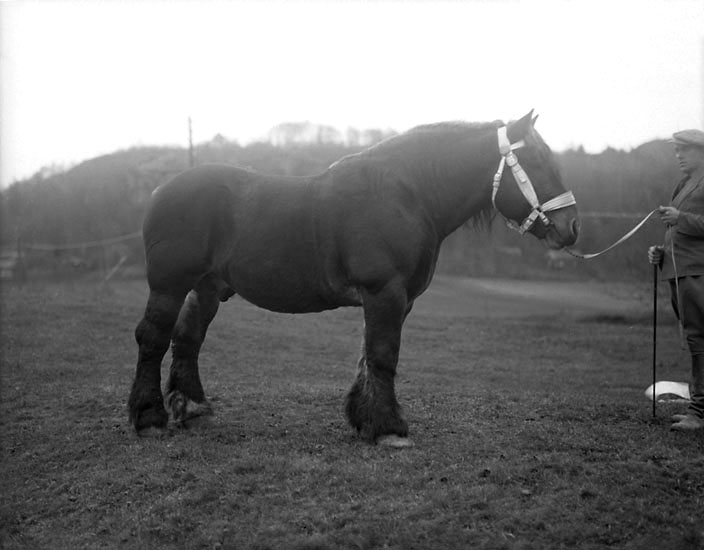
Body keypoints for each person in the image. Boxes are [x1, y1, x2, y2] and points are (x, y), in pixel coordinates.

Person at [648, 129, 704, 431]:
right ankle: (698, 409)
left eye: (684, 150)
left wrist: (680, 218)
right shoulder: (684, 184)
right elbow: (679, 232)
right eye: (676, 151)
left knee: (700, 341)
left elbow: (689, 223)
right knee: (696, 340)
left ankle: (699, 412)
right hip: (678, 273)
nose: (679, 156)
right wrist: (661, 253)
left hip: (698, 272)